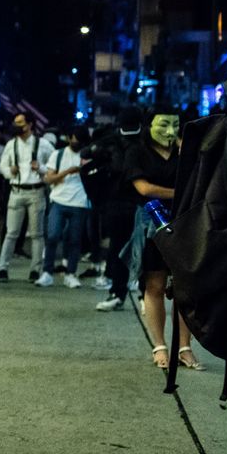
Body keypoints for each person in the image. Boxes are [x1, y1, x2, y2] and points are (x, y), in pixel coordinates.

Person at [125, 110, 202, 370]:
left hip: (183, 225)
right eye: (164, 124)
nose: (170, 131)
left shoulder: (184, 152)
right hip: (151, 226)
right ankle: (159, 347)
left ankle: (185, 347)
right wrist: (179, 193)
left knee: (184, 289)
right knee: (155, 285)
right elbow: (143, 188)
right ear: (149, 126)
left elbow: (199, 181)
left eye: (175, 125)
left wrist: (185, 150)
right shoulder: (137, 152)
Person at [92, 107, 144, 311]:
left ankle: (130, 293)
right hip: (125, 203)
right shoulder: (117, 143)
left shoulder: (130, 144)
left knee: (124, 250)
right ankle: (126, 292)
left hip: (131, 203)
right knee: (123, 250)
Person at [0, 113, 55, 283]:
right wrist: (10, 172)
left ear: (30, 125)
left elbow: (53, 166)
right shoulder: (11, 144)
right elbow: (3, 165)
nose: (16, 126)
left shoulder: (43, 144)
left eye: (20, 123)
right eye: (15, 122)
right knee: (11, 233)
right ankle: (3, 267)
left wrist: (41, 168)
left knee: (37, 234)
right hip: (16, 190)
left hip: (36, 191)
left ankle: (35, 269)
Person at [37, 127, 90, 288]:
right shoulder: (58, 154)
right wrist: (67, 172)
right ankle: (47, 272)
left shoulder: (88, 156)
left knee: (74, 240)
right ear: (68, 138)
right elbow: (49, 178)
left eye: (80, 141)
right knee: (52, 235)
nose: (76, 143)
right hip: (59, 200)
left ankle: (71, 273)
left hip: (80, 202)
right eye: (74, 139)